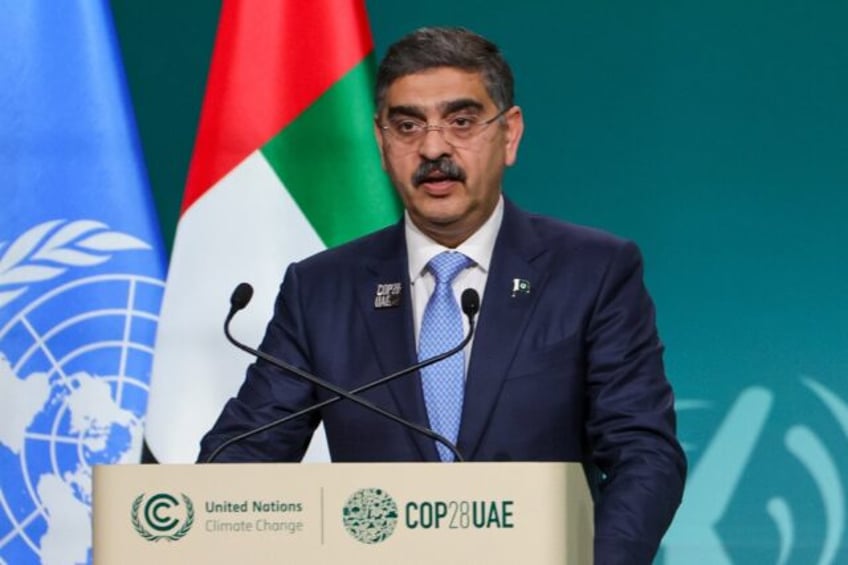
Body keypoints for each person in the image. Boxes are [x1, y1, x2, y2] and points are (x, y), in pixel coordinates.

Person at [199, 26, 686, 564]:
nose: (433, 148)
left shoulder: (591, 271)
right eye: (407, 126)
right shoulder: (321, 289)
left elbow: (644, 453)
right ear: (381, 145)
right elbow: (243, 453)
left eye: (461, 121)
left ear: (510, 134)